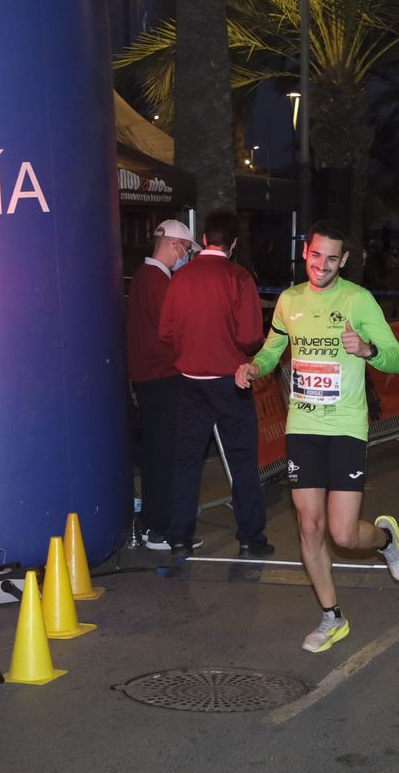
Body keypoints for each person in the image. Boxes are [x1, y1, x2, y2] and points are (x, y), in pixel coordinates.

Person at [235, 221, 399, 653]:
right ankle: (332, 617)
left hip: (347, 427)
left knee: (344, 535)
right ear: (305, 253)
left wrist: (366, 350)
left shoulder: (359, 300)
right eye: (316, 256)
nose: (322, 265)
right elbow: (274, 349)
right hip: (304, 427)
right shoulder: (289, 301)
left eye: (332, 259)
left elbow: (398, 360)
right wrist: (255, 367)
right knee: (310, 527)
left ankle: (386, 540)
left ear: (344, 261)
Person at [158, 210, 273, 561]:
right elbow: (251, 336)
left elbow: (166, 331)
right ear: (234, 243)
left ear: (205, 238)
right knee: (242, 461)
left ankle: (179, 536)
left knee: (187, 461)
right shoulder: (239, 278)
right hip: (230, 381)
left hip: (190, 381)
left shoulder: (181, 278)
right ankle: (250, 537)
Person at [126, 220, 198, 550]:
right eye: (184, 249)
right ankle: (161, 528)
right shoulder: (158, 281)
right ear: (173, 245)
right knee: (165, 455)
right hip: (163, 377)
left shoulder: (142, 278)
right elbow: (173, 331)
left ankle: (155, 524)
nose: (184, 256)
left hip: (148, 378)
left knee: (157, 454)